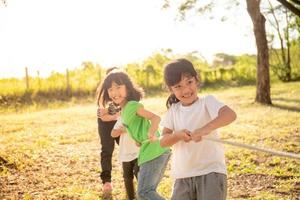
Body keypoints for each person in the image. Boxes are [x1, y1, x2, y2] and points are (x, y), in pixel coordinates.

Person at [160, 58, 237, 200]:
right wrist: (177, 136)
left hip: (211, 172)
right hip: (182, 176)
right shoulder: (173, 111)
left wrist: (204, 130)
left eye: (189, 82)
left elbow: (230, 115)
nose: (186, 90)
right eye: (178, 86)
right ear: (171, 89)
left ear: (196, 80)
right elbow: (163, 141)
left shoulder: (207, 102)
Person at [98, 69, 170, 200]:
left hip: (155, 151)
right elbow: (120, 131)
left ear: (128, 88)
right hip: (149, 152)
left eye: (118, 87)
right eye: (110, 89)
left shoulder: (131, 105)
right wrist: (139, 139)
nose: (114, 92)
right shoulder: (124, 110)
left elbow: (156, 118)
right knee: (144, 192)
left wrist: (151, 133)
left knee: (144, 192)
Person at [96, 67, 120, 193]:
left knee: (130, 146)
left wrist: (117, 114)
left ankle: (135, 173)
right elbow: (103, 116)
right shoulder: (103, 94)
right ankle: (107, 181)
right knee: (107, 150)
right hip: (105, 124)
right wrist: (117, 114)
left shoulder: (123, 91)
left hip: (119, 122)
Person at [111, 117, 139, 200]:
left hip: (139, 153)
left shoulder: (140, 117)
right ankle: (131, 197)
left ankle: (143, 195)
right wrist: (121, 130)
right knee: (127, 177)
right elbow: (113, 133)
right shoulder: (122, 118)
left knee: (139, 174)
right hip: (126, 153)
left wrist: (128, 129)